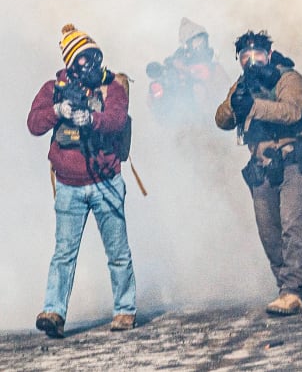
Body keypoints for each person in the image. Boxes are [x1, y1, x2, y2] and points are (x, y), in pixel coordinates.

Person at [27, 24, 137, 338]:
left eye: (94, 56)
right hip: (68, 185)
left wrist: (91, 119)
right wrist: (57, 111)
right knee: (63, 254)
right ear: (72, 63)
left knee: (118, 252)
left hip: (106, 182)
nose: (91, 63)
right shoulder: (54, 89)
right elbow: (33, 124)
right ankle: (54, 312)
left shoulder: (112, 87)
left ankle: (125, 310)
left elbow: (117, 120)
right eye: (84, 58)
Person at [215, 31, 302, 314]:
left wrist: (254, 106)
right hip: (261, 167)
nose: (252, 61)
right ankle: (283, 285)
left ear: (269, 55)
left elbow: (291, 112)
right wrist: (234, 104)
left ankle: (292, 291)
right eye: (245, 56)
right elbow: (221, 120)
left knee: (292, 226)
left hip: (294, 163)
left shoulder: (289, 79)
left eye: (258, 54)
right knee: (269, 232)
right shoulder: (243, 85)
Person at [146, 18, 229, 124]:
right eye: (196, 42)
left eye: (202, 41)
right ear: (186, 45)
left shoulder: (213, 67)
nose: (200, 45)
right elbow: (156, 104)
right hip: (181, 125)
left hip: (210, 122)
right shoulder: (174, 68)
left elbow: (224, 90)